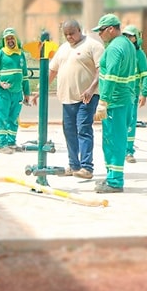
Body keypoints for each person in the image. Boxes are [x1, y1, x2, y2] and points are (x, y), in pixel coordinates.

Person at [42, 19, 103, 179]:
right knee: (69, 132)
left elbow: (100, 71)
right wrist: (40, 90)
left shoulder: (93, 46)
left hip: (86, 98)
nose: (69, 37)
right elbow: (52, 71)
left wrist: (91, 89)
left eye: (72, 33)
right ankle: (74, 165)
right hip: (67, 99)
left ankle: (86, 167)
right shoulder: (62, 49)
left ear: (79, 30)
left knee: (83, 129)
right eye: (66, 34)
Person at [91, 13, 136, 194]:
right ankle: (111, 177)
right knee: (114, 139)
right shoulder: (127, 44)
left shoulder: (115, 48)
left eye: (101, 31)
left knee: (113, 140)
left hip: (115, 101)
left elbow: (110, 77)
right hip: (124, 99)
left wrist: (103, 101)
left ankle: (115, 181)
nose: (99, 34)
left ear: (111, 29)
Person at [0, 27, 31, 153]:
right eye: (7, 38)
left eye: (12, 37)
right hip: (4, 94)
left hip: (18, 94)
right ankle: (2, 145)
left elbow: (25, 76)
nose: (10, 40)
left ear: (16, 39)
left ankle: (11, 142)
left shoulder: (21, 55)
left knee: (14, 119)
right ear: (4, 40)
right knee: (2, 118)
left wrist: (27, 93)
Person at [122, 24, 147, 164]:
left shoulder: (140, 55)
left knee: (130, 123)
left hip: (132, 95)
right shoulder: (120, 51)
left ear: (136, 38)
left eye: (131, 36)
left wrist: (144, 93)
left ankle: (129, 151)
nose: (128, 38)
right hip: (119, 94)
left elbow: (145, 74)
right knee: (118, 123)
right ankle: (119, 150)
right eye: (125, 35)